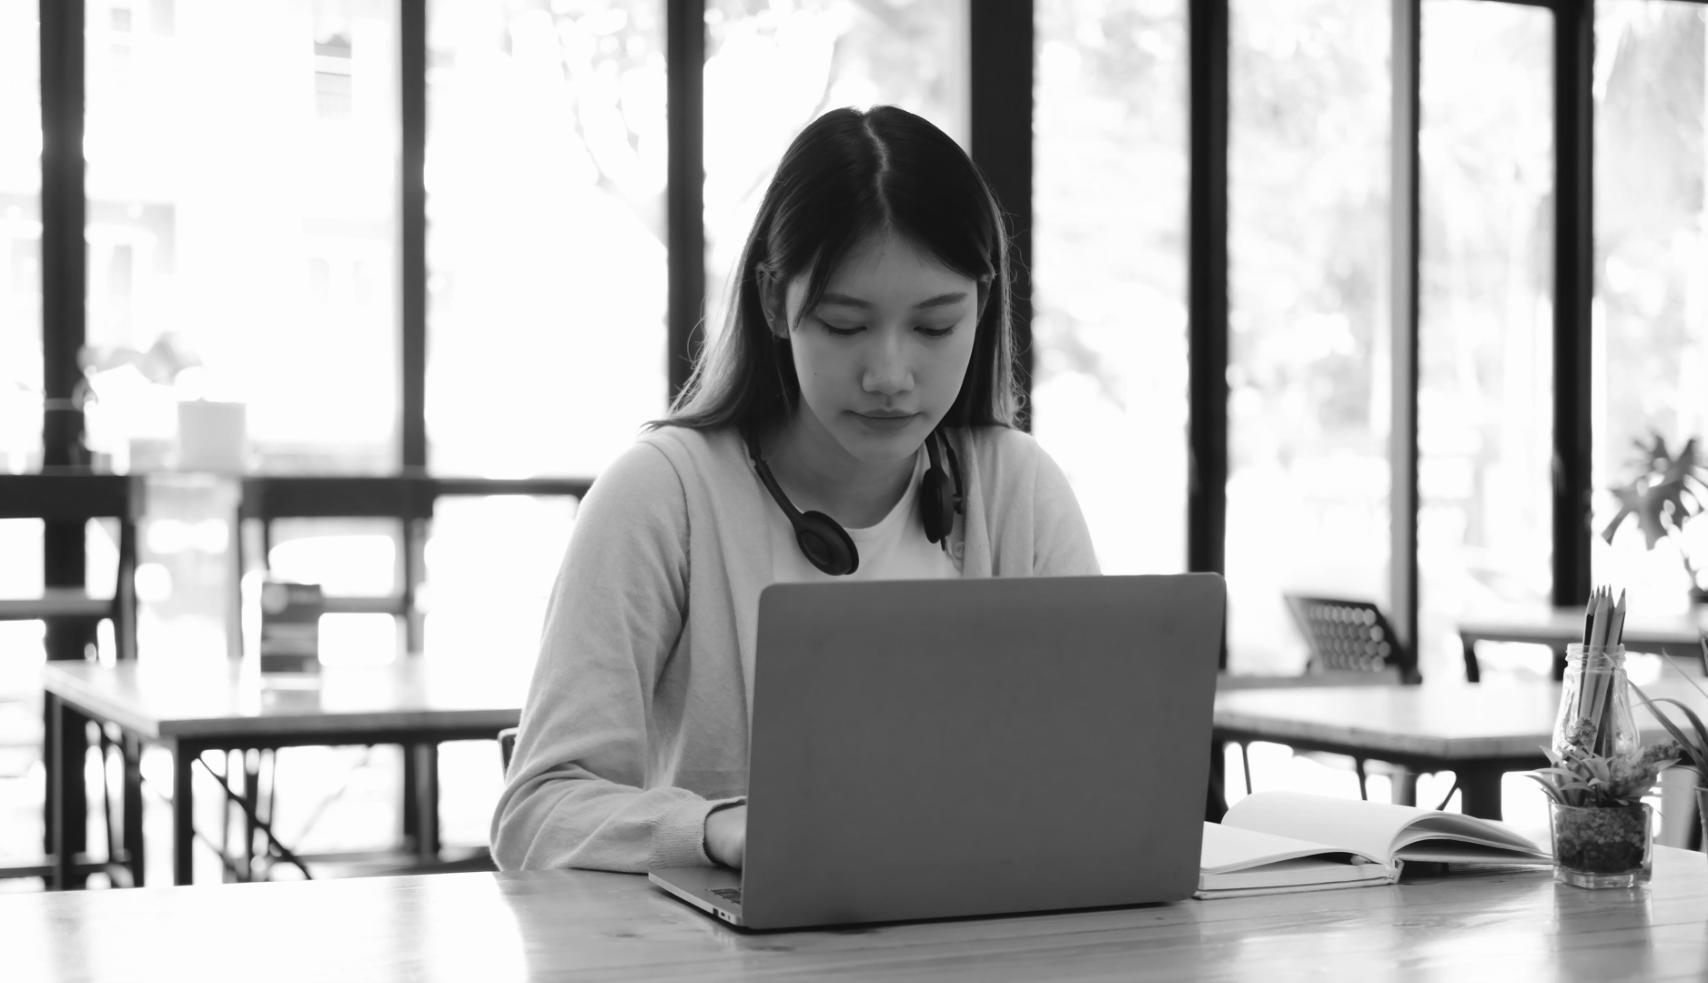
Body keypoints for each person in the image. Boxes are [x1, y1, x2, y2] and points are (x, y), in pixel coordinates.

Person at [491, 105, 1100, 874]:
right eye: (845, 325)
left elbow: (1095, 781)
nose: (889, 374)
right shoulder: (663, 495)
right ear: (777, 300)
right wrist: (718, 829)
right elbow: (537, 812)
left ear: (981, 305)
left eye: (936, 327)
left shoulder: (1019, 489)